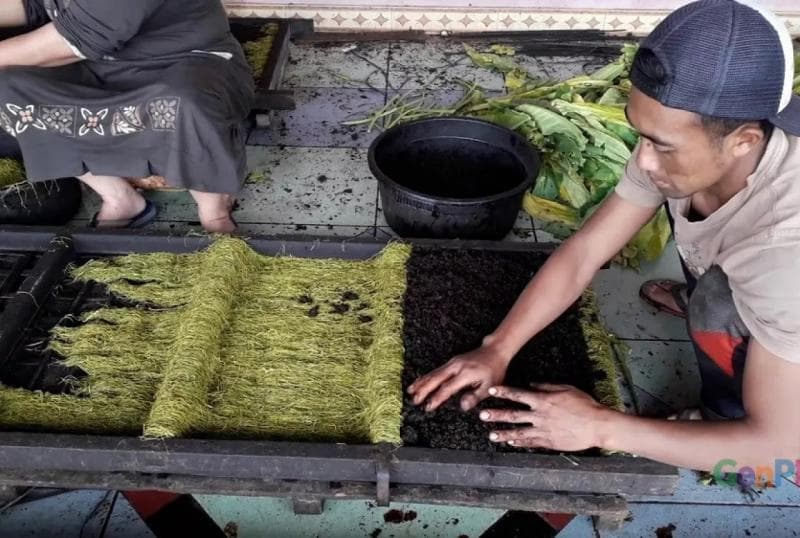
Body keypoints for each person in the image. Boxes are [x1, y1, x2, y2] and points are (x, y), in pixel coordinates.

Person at [408, 0, 800, 473]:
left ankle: (721, 411)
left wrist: (601, 427)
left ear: (744, 140)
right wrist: (499, 347)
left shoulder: (783, 260)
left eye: (663, 145)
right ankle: (728, 309)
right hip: (770, 286)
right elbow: (585, 252)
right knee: (707, 255)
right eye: (642, 136)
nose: (645, 161)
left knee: (719, 308)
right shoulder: (685, 150)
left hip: (784, 314)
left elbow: (777, 447)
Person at [0, 0, 254, 232]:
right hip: (102, 64)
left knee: (183, 102)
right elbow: (35, 4)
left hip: (185, 61)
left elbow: (76, 39)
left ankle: (215, 213)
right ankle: (120, 198)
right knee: (8, 89)